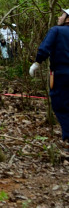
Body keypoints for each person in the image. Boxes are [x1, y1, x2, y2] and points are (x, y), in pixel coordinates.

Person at [29, 8, 69, 143]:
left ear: (68, 19)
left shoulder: (56, 30)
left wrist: (37, 62)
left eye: (62, 15)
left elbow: (45, 48)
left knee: (60, 105)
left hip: (61, 74)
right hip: (61, 73)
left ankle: (68, 136)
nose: (59, 17)